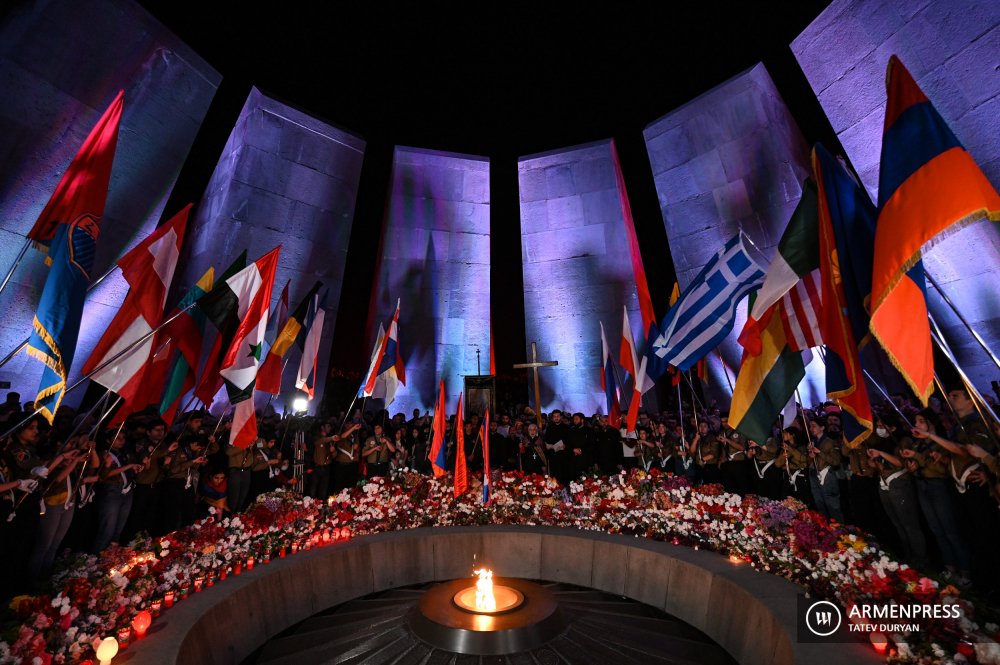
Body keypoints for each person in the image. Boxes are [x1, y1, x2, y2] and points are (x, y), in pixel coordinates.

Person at [901, 409, 971, 583]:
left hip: (939, 487)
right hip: (922, 486)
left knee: (950, 530)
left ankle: (965, 572)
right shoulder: (917, 444)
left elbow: (941, 469)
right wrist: (912, 466)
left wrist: (918, 457)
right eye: (916, 421)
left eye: (920, 421)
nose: (916, 425)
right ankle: (950, 568)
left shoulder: (941, 442)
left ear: (931, 423)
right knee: (937, 530)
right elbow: (920, 463)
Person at [91, 427, 141, 553]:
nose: (121, 441)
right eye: (117, 438)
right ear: (109, 440)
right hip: (112, 492)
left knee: (119, 527)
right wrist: (128, 466)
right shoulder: (105, 454)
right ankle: (97, 555)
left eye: (123, 438)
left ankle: (112, 557)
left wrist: (135, 468)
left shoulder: (125, 453)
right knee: (108, 528)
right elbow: (104, 476)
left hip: (127, 491)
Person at [807, 417, 844, 522]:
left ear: (822, 427)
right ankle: (825, 527)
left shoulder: (831, 442)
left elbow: (836, 461)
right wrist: (810, 456)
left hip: (827, 475)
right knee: (820, 504)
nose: (811, 428)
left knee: (833, 506)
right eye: (810, 426)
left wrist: (819, 453)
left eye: (814, 426)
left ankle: (839, 527)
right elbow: (808, 461)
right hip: (814, 474)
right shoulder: (812, 442)